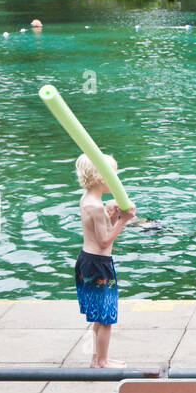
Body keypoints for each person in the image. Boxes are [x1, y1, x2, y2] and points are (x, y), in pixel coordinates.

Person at [75, 153, 135, 367]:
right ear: (102, 178)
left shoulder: (87, 200)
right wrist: (123, 220)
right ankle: (102, 360)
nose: (116, 179)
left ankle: (96, 358)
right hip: (98, 264)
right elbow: (104, 241)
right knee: (106, 317)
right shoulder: (97, 206)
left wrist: (110, 217)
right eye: (113, 175)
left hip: (87, 260)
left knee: (98, 316)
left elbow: (97, 232)